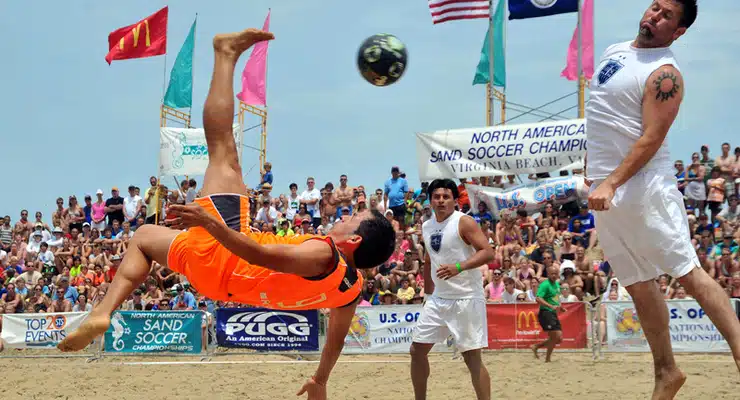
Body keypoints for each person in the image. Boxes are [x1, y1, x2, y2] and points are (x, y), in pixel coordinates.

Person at [57, 28, 396, 400]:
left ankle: (225, 53)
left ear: (354, 239)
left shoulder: (323, 253)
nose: (345, 216)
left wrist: (209, 223)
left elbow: (261, 254)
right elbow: (336, 338)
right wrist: (321, 379)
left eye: (352, 217)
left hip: (227, 247)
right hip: (216, 283)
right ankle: (104, 311)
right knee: (143, 239)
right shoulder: (349, 289)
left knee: (223, 150)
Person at [585, 1, 740, 398]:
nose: (655, 16)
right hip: (606, 189)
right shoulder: (615, 51)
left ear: (678, 31)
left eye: (666, 15)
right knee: (638, 283)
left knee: (689, 273)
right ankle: (667, 372)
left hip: (642, 188)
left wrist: (613, 183)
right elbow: (604, 119)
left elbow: (652, 138)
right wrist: (596, 177)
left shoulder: (665, 73)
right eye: (655, 7)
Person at [410, 178, 495, 400]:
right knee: (417, 350)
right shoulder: (427, 226)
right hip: (438, 299)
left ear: (455, 201)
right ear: (429, 201)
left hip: (466, 297)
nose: (441, 200)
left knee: (471, 358)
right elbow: (429, 259)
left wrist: (459, 267)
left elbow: (488, 252)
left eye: (446, 196)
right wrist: (428, 294)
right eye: (436, 196)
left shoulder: (463, 222)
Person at [531, 265, 566, 362]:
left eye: (556, 273)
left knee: (558, 339)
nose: (554, 275)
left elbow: (555, 298)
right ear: (548, 274)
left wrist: (560, 307)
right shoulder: (545, 285)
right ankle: (547, 359)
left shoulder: (557, 285)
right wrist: (550, 306)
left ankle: (536, 346)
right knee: (556, 336)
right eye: (552, 274)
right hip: (546, 313)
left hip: (553, 313)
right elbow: (538, 298)